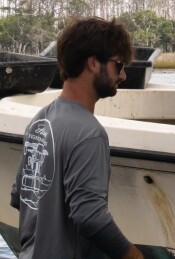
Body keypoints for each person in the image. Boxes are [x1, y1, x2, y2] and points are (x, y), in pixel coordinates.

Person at [10, 17, 144, 259]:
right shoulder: (90, 134)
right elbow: (89, 215)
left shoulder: (39, 121)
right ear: (93, 63)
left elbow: (20, 196)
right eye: (119, 65)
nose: (123, 76)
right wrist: (133, 255)